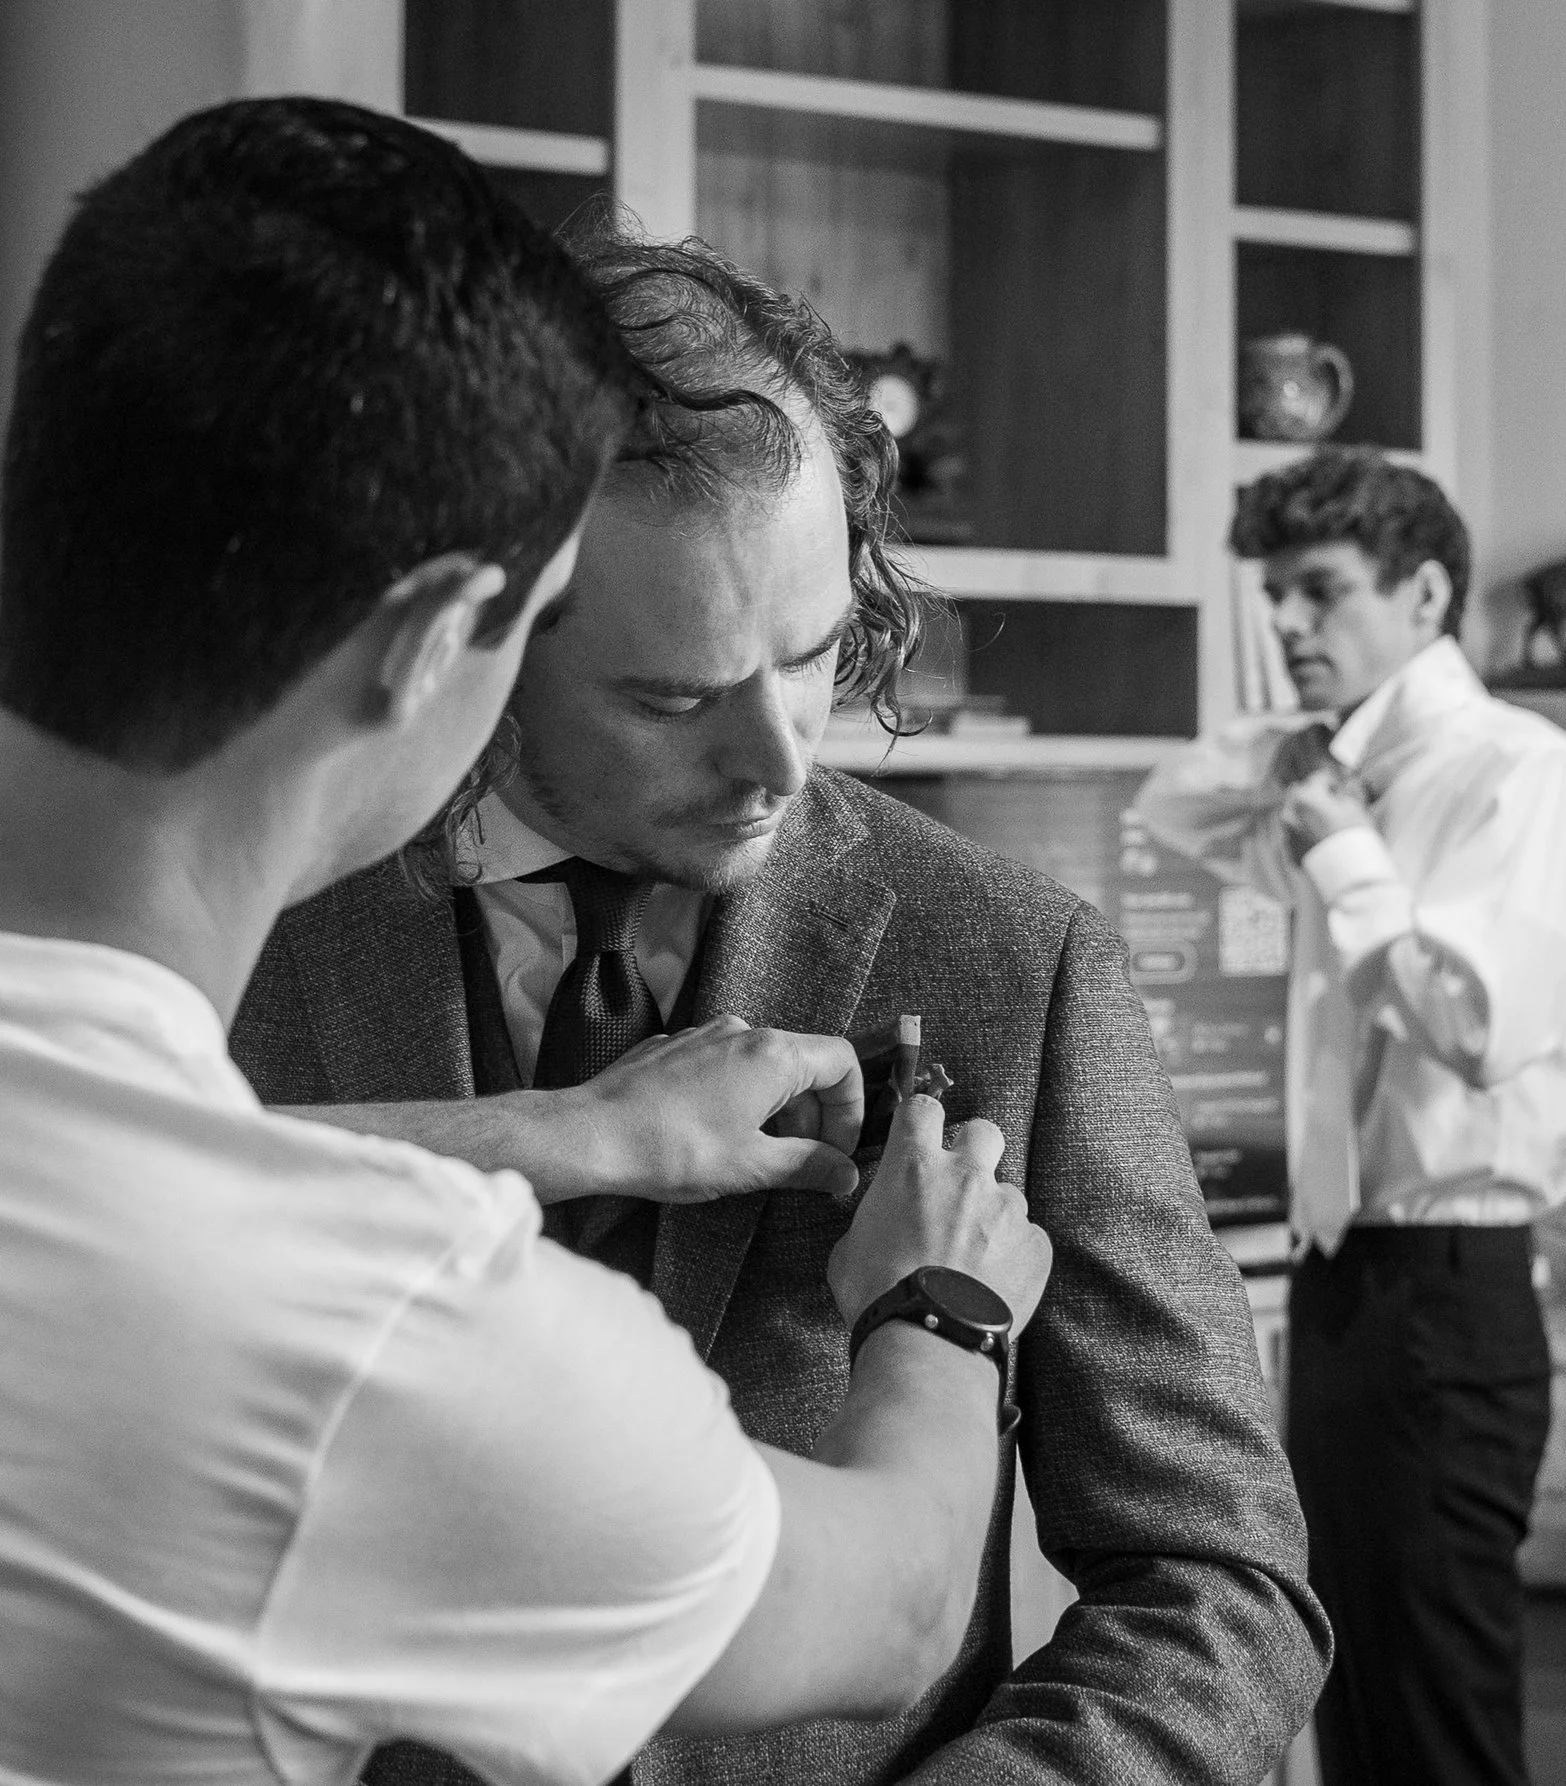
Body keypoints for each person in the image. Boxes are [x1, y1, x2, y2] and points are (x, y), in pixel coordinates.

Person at [0, 99, 1053, 1783]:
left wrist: (540, 1135)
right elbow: (897, 1598)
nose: (777, 750)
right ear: (437, 644)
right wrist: (939, 1310)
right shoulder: (372, 1330)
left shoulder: (1010, 944)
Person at [229, 224, 1329, 1786]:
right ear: (473, 642)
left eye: (811, 654)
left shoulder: (1011, 955)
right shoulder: (250, 910)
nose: (782, 760)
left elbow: (1218, 1583)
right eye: (671, 697)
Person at [1134, 449, 1566, 1786]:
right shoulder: (1329, 778)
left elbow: (1486, 1026)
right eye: (1274, 595)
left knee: (1439, 1735)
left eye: (1319, 591)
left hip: (1447, 1305)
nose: (1286, 625)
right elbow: (1172, 802)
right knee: (1353, 1717)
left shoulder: (1523, 778)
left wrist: (1347, 853)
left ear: (1424, 594)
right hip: (1348, 1291)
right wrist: (1326, 779)